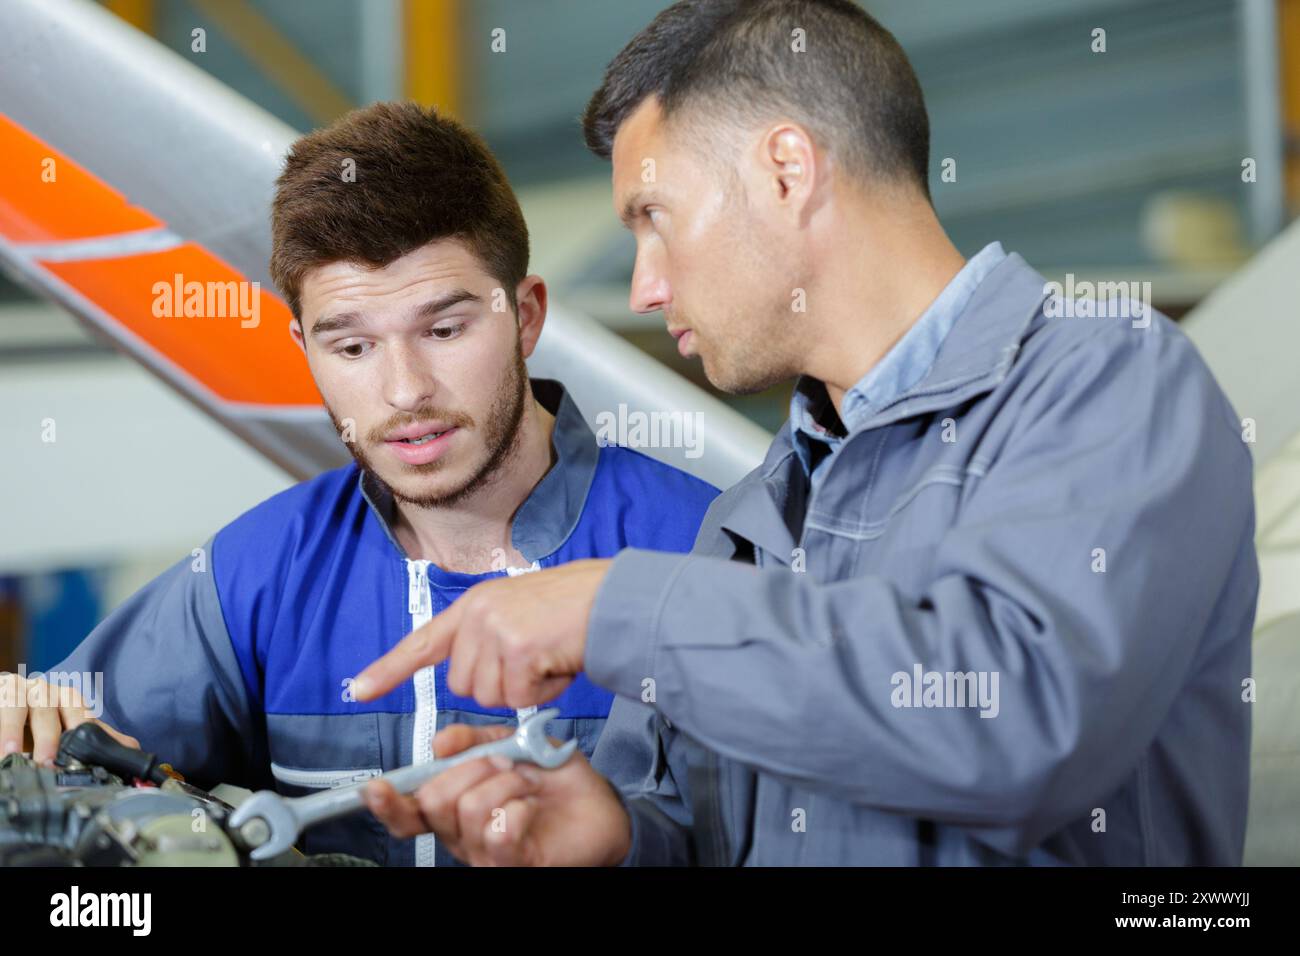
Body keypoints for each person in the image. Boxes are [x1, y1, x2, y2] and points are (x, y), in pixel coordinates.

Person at [353, 0, 1257, 866]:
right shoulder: (755, 516)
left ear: (786, 170)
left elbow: (1020, 719)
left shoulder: (1107, 383)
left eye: (653, 220)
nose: (645, 287)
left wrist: (616, 607)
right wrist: (621, 839)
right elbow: (702, 816)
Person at [2, 101, 718, 866]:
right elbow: (63, 745)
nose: (405, 390)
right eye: (351, 347)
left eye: (444, 331)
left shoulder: (708, 553)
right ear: (303, 347)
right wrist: (22, 716)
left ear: (527, 315)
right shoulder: (255, 575)